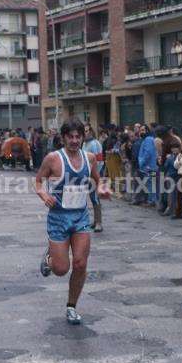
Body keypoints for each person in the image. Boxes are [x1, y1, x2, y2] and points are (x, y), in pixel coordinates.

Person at [36, 119, 110, 325]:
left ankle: (71, 307)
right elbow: (38, 181)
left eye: (78, 137)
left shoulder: (90, 158)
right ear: (63, 138)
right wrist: (43, 195)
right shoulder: (53, 159)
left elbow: (96, 180)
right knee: (61, 269)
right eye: (71, 137)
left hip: (80, 217)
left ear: (82, 138)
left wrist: (102, 188)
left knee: (80, 263)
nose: (75, 141)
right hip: (58, 218)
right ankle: (50, 256)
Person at [83, 124, 104, 232]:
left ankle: (99, 222)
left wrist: (96, 175)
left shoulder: (95, 144)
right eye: (83, 131)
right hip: (87, 175)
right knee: (92, 197)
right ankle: (95, 221)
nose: (85, 133)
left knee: (95, 198)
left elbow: (99, 161)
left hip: (94, 175)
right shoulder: (84, 143)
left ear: (91, 131)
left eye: (86, 131)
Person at [138, 125, 157, 207]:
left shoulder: (148, 139)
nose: (141, 132)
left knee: (150, 183)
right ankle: (152, 200)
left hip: (149, 167)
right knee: (151, 183)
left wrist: (141, 162)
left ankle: (152, 201)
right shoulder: (147, 139)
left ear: (147, 131)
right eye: (140, 130)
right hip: (150, 166)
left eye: (143, 130)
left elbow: (148, 153)